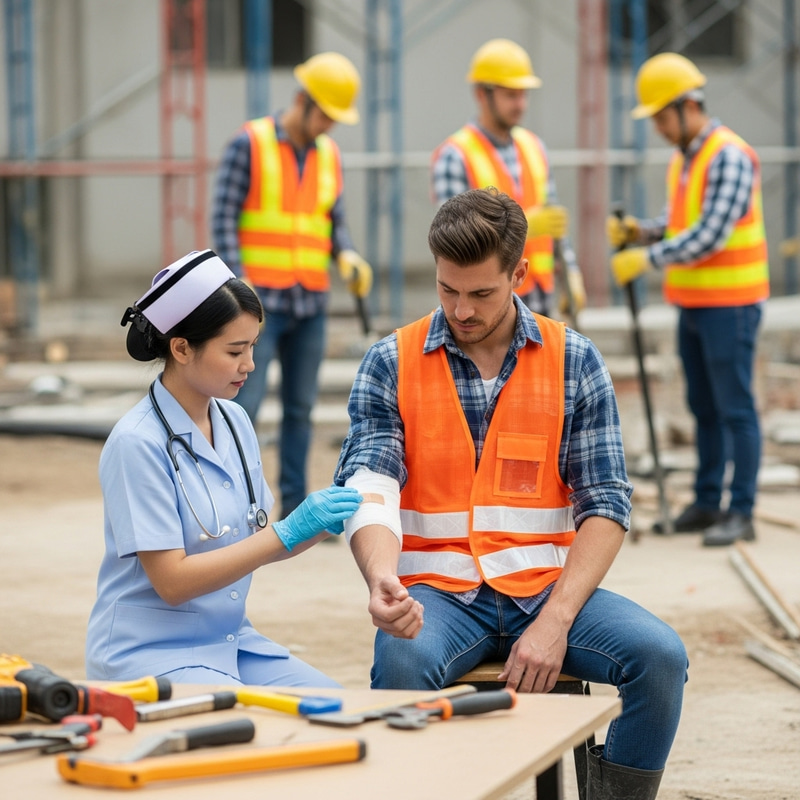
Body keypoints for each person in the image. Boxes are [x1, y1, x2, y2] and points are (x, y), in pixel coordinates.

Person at [334, 188, 687, 799]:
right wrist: (380, 576)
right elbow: (370, 480)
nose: (461, 310)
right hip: (435, 596)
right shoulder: (389, 361)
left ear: (519, 273)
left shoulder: (574, 360)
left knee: (659, 657)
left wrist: (556, 620)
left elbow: (605, 503)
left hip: (545, 589)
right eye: (448, 290)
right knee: (400, 662)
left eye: (481, 293)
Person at [85, 249, 363, 686]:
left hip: (230, 640)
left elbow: (253, 539)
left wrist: (320, 522)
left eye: (253, 346)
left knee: (331, 702)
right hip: (148, 653)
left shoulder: (233, 422)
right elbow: (173, 582)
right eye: (235, 351)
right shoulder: (136, 443)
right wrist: (286, 532)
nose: (250, 365)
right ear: (181, 347)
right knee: (250, 728)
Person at [608, 52, 769, 548]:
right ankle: (705, 502)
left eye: (659, 115)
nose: (656, 126)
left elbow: (710, 235)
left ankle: (740, 510)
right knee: (703, 406)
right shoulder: (687, 158)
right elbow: (679, 223)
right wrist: (642, 232)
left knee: (735, 407)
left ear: (685, 106)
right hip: (696, 305)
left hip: (732, 305)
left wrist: (648, 257)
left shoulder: (729, 155)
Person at [211, 51, 372, 518]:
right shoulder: (251, 143)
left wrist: (347, 253)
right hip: (258, 304)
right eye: (325, 114)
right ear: (302, 100)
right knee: (244, 406)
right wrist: (235, 278)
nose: (328, 126)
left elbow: (332, 220)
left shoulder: (329, 155)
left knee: (300, 411)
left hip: (309, 300)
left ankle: (297, 511)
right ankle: (237, 510)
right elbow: (224, 218)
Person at [431, 38, 586, 321]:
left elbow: (552, 222)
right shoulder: (456, 155)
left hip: (538, 293)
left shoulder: (534, 147)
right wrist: (527, 224)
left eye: (523, 94)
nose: (521, 104)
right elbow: (453, 236)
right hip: (487, 303)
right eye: (511, 95)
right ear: (481, 94)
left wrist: (570, 272)